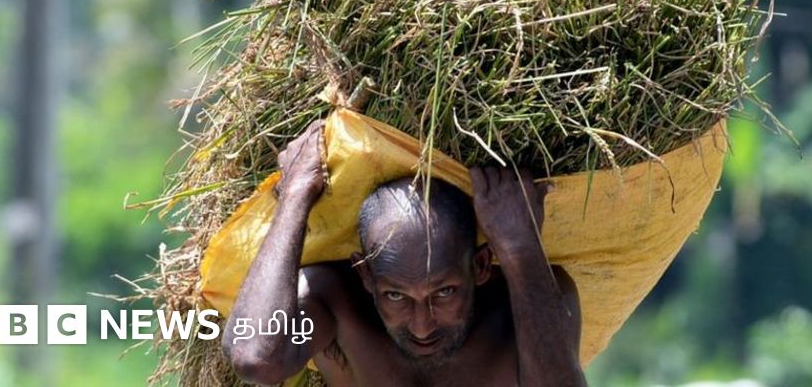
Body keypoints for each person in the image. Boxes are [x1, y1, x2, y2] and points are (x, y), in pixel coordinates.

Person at [222, 121, 587, 387]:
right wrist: (296, 194)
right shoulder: (337, 302)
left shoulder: (526, 303)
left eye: (444, 292)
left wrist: (521, 249)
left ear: (479, 266)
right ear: (366, 276)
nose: (422, 326)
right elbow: (257, 357)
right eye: (395, 296)